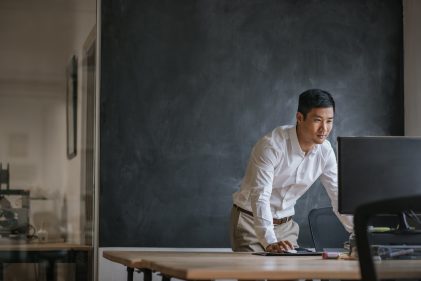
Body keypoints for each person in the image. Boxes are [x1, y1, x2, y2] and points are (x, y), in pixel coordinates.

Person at [230, 89, 353, 253]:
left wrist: (357, 232)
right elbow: (260, 196)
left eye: (329, 121)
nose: (324, 128)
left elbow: (338, 196)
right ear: (300, 118)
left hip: (286, 227)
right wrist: (270, 242)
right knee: (254, 275)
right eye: (317, 120)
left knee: (292, 275)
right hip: (250, 221)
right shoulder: (271, 146)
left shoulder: (325, 151)